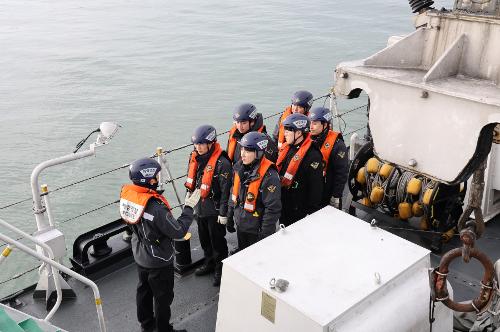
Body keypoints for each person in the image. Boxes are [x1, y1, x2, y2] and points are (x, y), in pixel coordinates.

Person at [120, 157, 201, 332]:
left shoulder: (129, 196)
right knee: (163, 298)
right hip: (158, 259)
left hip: (140, 253)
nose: (158, 179)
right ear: (149, 179)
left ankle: (147, 326)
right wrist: (188, 208)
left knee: (144, 291)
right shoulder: (156, 208)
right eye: (156, 176)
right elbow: (178, 231)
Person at [184, 124, 232, 286]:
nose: (198, 147)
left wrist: (224, 213)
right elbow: (193, 181)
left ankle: (220, 268)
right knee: (204, 239)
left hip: (215, 210)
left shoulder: (222, 164)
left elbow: (226, 191)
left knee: (217, 241)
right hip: (200, 207)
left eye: (201, 144)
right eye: (196, 144)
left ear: (211, 143)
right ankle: (209, 262)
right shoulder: (195, 158)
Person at [226, 131, 281, 249]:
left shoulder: (269, 176)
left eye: (248, 151)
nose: (243, 154)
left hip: (257, 230)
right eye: (242, 149)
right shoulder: (239, 169)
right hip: (241, 225)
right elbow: (233, 193)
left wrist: (265, 234)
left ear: (259, 153)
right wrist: (230, 215)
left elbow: (272, 208)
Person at [276, 113, 324, 226]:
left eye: (288, 130)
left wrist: (311, 212)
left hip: (299, 208)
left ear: (298, 133)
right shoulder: (287, 148)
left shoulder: (313, 156)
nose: (285, 133)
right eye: (285, 129)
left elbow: (316, 187)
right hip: (284, 203)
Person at [308, 106, 348, 209]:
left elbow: (341, 173)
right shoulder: (307, 140)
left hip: (327, 192)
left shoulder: (338, 145)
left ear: (325, 125)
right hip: (311, 190)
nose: (311, 127)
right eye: (310, 122)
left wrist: (336, 196)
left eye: (315, 123)